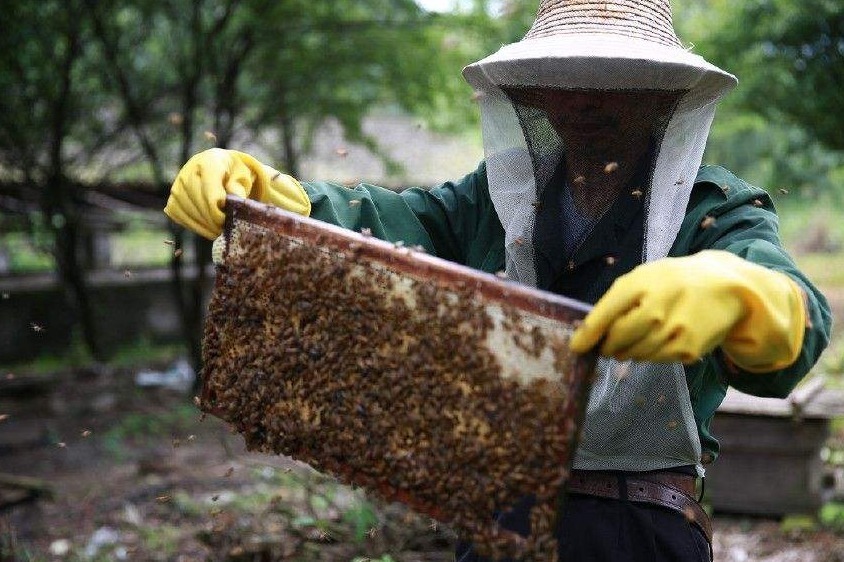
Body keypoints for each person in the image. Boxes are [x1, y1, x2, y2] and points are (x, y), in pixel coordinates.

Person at [163, 1, 832, 560]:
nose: (586, 100)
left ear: (664, 95)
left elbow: (791, 318)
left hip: (641, 529)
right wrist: (279, 202)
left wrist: (742, 294)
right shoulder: (497, 200)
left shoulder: (712, 208)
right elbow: (392, 221)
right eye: (567, 76)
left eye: (615, 77)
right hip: (496, 517)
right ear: (534, 90)